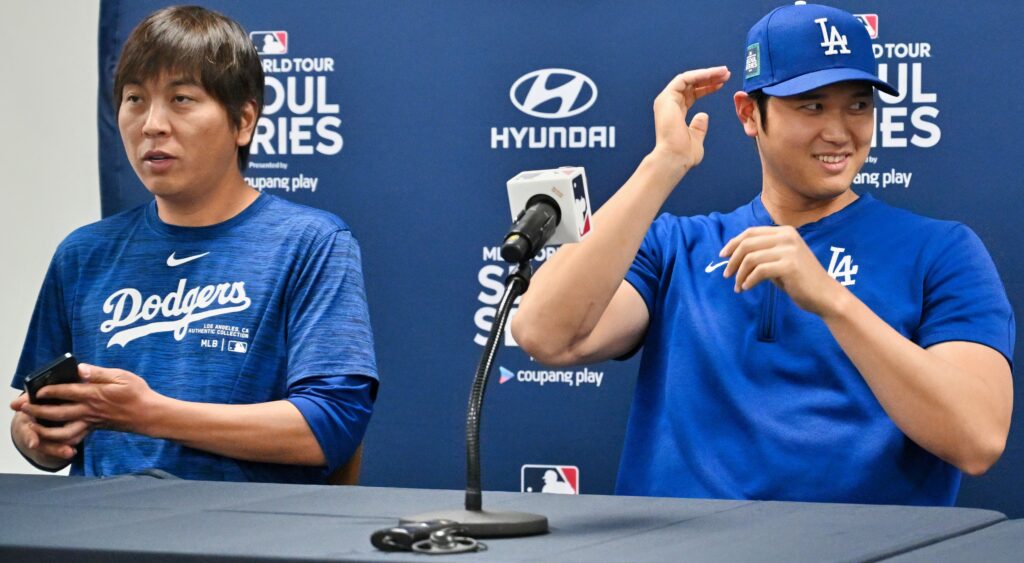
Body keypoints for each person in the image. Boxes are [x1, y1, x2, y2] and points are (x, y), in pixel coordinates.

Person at [511, 2, 1014, 505]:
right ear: (750, 114)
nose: (839, 131)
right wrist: (663, 163)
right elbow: (546, 335)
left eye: (858, 105)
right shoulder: (677, 247)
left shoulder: (943, 251)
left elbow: (976, 440)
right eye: (812, 105)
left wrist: (830, 300)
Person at [9, 6, 378, 484]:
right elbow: (41, 428)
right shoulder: (83, 253)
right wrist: (35, 434)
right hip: (99, 532)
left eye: (181, 99)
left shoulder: (312, 244)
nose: (152, 124)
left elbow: (330, 427)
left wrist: (149, 414)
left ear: (243, 120)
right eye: (135, 99)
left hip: (249, 536)